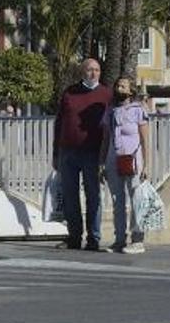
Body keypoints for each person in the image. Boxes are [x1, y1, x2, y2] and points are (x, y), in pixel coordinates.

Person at [52, 58, 111, 251]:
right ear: (82, 72)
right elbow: (59, 123)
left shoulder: (106, 94)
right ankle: (74, 237)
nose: (93, 73)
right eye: (89, 70)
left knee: (93, 196)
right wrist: (55, 153)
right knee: (70, 196)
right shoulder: (69, 92)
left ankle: (93, 239)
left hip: (93, 153)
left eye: (97, 70)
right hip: (67, 152)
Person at [100, 75, 150, 254]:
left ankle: (137, 240)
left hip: (134, 158)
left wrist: (146, 165)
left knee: (136, 199)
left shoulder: (138, 110)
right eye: (117, 86)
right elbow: (106, 138)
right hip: (114, 158)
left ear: (130, 91)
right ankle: (119, 239)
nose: (119, 89)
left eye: (123, 86)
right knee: (117, 200)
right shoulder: (111, 111)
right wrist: (102, 162)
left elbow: (144, 139)